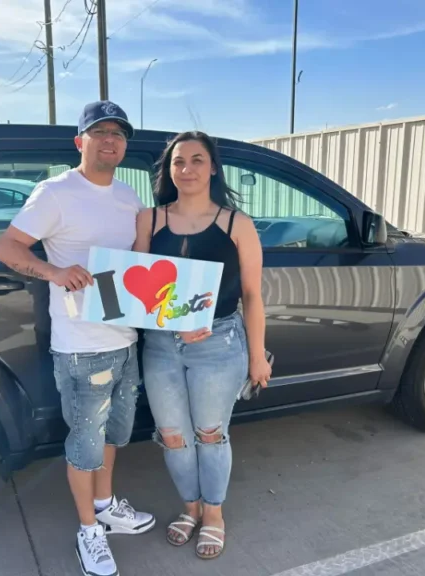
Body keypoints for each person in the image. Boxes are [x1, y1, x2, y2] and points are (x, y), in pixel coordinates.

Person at [0, 101, 155, 576]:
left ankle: (105, 506)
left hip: (125, 340)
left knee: (114, 435)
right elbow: (8, 246)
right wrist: (53, 271)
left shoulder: (129, 198)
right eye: (100, 131)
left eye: (119, 134)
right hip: (81, 347)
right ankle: (89, 532)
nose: (110, 140)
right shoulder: (56, 193)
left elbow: (138, 273)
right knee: (85, 444)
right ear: (79, 141)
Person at [132, 131, 272, 560]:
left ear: (213, 167)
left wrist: (256, 356)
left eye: (197, 160)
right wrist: (169, 322)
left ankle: (214, 514)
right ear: (168, 170)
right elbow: (135, 292)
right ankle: (189, 508)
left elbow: (252, 295)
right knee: (173, 436)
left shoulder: (237, 224)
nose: (187, 169)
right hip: (160, 347)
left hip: (219, 344)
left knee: (210, 435)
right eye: (179, 162)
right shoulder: (149, 220)